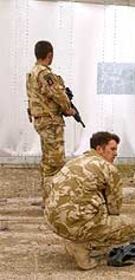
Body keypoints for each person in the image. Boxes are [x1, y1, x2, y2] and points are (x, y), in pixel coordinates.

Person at [44, 132, 135, 270]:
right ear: (99, 149)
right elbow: (114, 208)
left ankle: (73, 239)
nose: (116, 153)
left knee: (87, 212)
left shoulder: (75, 161)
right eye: (112, 149)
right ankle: (83, 245)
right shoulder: (108, 168)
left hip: (52, 221)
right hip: (74, 223)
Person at [26, 41, 75, 205]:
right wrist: (68, 108)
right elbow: (57, 94)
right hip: (50, 121)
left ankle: (48, 199)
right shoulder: (45, 74)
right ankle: (53, 202)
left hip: (42, 120)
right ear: (50, 54)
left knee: (48, 161)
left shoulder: (32, 72)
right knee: (55, 162)